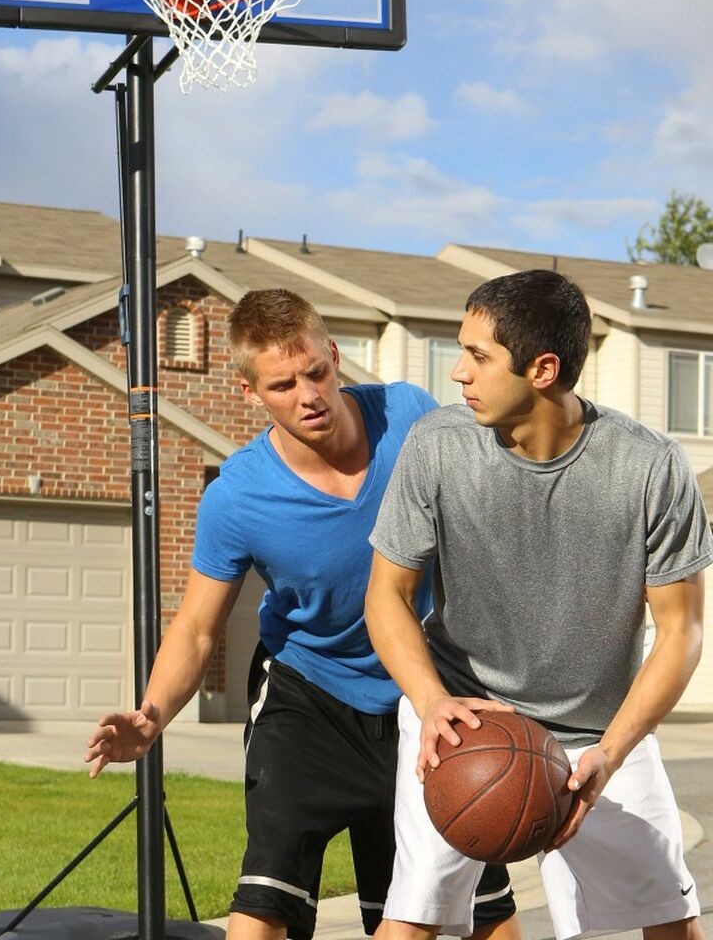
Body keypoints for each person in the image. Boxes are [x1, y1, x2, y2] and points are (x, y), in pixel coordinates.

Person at [84, 289, 518, 940]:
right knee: (265, 901)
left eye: (315, 372)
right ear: (249, 391)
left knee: (479, 911)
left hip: (424, 695)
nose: (307, 395)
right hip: (307, 699)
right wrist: (151, 717)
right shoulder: (237, 496)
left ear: (335, 357)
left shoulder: (411, 419)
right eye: (282, 384)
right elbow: (198, 628)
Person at [364, 269, 713, 940]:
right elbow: (387, 595)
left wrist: (611, 753)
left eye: (479, 356)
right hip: (467, 722)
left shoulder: (649, 467)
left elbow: (680, 632)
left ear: (543, 369)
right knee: (412, 915)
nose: (459, 374)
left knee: (671, 920)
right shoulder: (436, 447)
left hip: (598, 733)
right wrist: (433, 703)